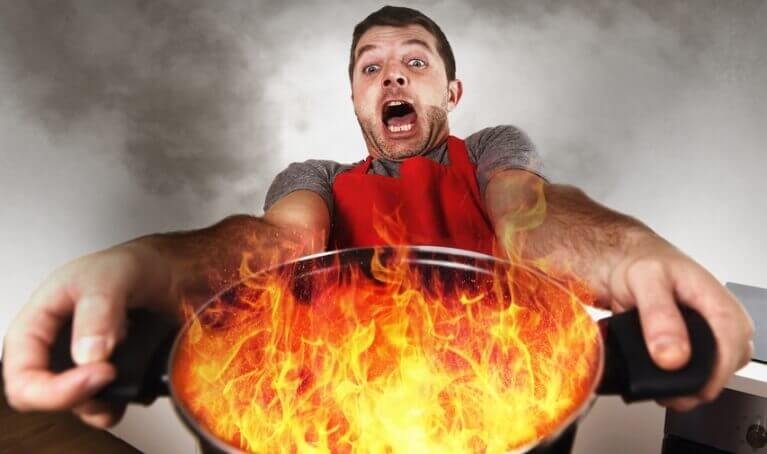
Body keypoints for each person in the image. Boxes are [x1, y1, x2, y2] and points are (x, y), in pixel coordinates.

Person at [2, 4, 753, 439]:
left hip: (492, 423)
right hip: (334, 432)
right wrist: (168, 261)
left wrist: (622, 251)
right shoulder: (315, 182)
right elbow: (275, 242)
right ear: (357, 99)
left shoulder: (492, 152)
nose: (391, 74)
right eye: (371, 67)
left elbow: (532, 215)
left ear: (451, 91)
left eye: (414, 62)